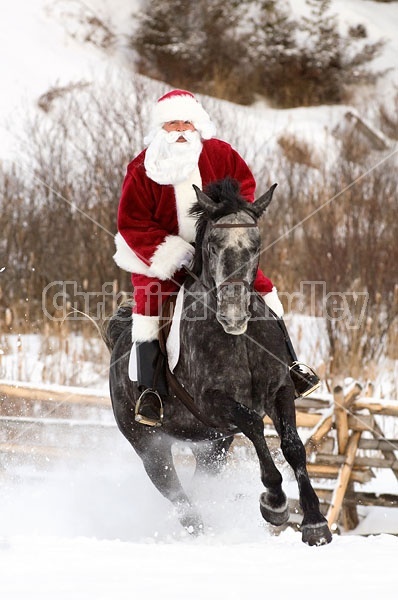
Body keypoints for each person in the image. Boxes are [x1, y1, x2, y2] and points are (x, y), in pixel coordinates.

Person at [114, 89, 320, 426]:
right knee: (149, 310)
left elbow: (245, 189)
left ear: (197, 124)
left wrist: (228, 225)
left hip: (220, 250)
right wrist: (172, 252)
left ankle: (292, 367)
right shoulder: (141, 168)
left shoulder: (221, 153)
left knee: (265, 294)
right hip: (160, 257)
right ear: (160, 128)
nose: (180, 130)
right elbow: (131, 222)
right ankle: (149, 392)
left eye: (186, 122)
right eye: (171, 123)